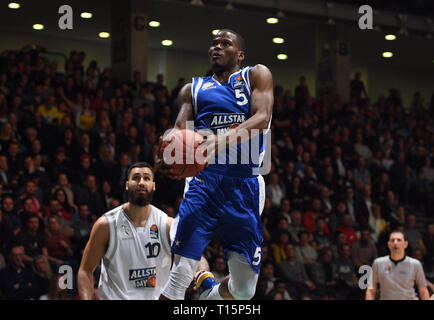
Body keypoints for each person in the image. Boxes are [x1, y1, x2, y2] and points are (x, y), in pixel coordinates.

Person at [158, 29, 273, 301]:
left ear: (240, 54)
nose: (217, 48)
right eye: (213, 44)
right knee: (180, 273)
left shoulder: (256, 75)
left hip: (244, 181)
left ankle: (208, 290)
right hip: (203, 182)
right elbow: (177, 134)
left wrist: (219, 142)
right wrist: (167, 160)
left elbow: (262, 119)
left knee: (244, 290)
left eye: (225, 43)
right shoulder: (192, 89)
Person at [78, 162, 207, 300]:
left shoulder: (166, 224)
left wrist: (202, 272)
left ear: (153, 186)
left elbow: (196, 256)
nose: (141, 182)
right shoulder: (106, 225)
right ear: (127, 185)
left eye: (146, 178)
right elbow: (85, 271)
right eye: (136, 178)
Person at [365, 230, 430, 300]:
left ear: (405, 244)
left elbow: (423, 289)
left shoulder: (415, 264)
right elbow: (371, 290)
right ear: (389, 244)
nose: (395, 243)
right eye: (392, 240)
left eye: (399, 240)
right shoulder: (378, 263)